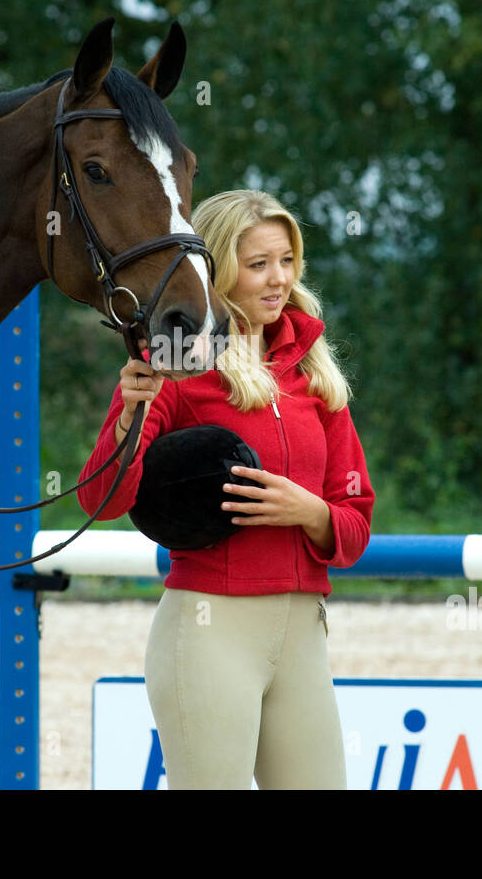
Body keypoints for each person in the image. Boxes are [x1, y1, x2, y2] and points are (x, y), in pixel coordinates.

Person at [78, 189, 374, 789]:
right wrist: (130, 414)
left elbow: (355, 526)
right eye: (258, 263)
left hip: (304, 633)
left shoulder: (315, 372)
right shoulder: (175, 364)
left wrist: (309, 511)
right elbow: (101, 501)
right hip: (208, 632)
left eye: (287, 261)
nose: (279, 279)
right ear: (215, 269)